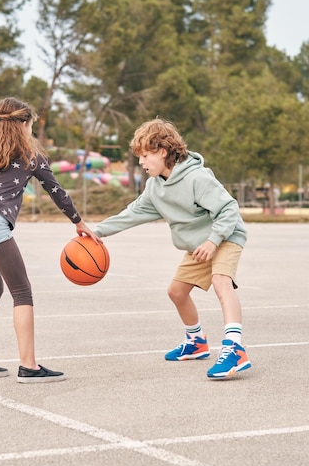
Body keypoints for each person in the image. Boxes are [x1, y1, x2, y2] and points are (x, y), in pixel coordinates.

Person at [0, 96, 100, 383]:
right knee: (22, 292)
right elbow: (56, 190)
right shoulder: (30, 155)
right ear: (25, 124)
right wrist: (78, 222)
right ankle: (29, 366)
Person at [93, 118, 251, 379]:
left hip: (225, 235)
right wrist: (97, 232)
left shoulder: (196, 177)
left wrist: (213, 240)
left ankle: (235, 348)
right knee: (176, 292)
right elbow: (134, 213)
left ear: (162, 151)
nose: (141, 162)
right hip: (198, 244)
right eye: (139, 156)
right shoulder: (155, 187)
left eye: (145, 155)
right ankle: (197, 341)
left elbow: (229, 209)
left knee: (221, 282)